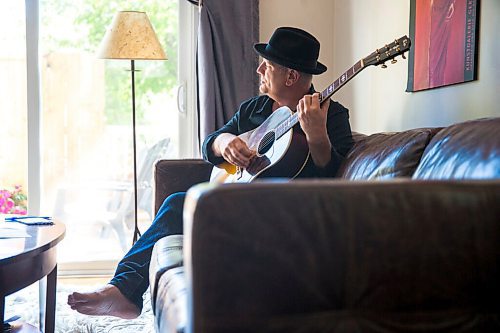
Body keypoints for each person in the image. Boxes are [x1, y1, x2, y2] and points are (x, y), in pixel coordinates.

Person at [67, 26, 354, 319]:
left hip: (281, 215)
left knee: (180, 203)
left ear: (291, 77)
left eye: (267, 66)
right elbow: (209, 143)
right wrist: (225, 142)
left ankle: (124, 293)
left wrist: (317, 136)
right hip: (238, 201)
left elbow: (334, 179)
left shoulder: (332, 115)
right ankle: (124, 289)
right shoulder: (255, 108)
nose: (259, 70)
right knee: (180, 202)